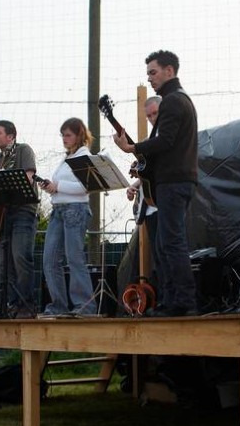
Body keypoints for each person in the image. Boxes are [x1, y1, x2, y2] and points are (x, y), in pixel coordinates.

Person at [113, 50, 199, 317]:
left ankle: (182, 302)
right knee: (165, 243)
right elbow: (165, 148)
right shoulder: (177, 100)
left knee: (171, 243)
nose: (149, 78)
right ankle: (173, 300)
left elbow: (166, 142)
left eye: (153, 72)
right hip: (172, 181)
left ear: (169, 71)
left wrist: (133, 147)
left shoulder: (173, 102)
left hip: (174, 183)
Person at [38, 118, 97, 317]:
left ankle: (84, 306)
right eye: (63, 135)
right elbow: (62, 186)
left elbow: (86, 187)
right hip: (58, 210)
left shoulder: (84, 156)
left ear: (79, 135)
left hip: (75, 211)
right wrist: (51, 188)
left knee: (74, 258)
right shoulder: (66, 158)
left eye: (68, 135)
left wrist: (58, 186)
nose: (64, 138)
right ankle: (58, 305)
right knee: (50, 259)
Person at [0, 120, 39, 319]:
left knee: (20, 257)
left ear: (11, 136)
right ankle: (9, 305)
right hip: (1, 215)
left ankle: (25, 305)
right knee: (4, 262)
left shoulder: (24, 150)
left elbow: (28, 177)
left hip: (23, 211)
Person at [126, 96, 162, 297]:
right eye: (148, 115)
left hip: (165, 204)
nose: (151, 118)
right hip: (150, 206)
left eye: (155, 113)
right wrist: (135, 184)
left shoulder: (168, 137)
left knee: (166, 254)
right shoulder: (150, 141)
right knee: (157, 256)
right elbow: (149, 171)